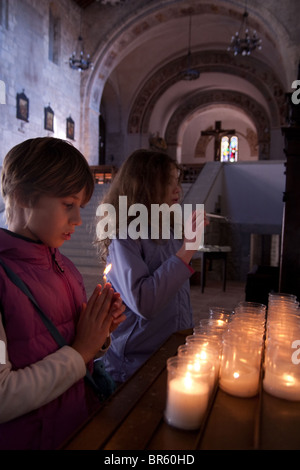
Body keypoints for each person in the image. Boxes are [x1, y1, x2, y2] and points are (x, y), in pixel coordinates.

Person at [0, 137, 126, 450]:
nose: (77, 220)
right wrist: (81, 350)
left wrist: (98, 334)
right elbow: (2, 396)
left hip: (76, 427)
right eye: (68, 205)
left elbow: (68, 346)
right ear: (21, 196)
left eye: (79, 207)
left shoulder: (64, 267)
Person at [96, 148, 206, 383]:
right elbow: (145, 302)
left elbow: (177, 297)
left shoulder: (167, 229)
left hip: (171, 352)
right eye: (168, 182)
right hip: (135, 365)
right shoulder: (124, 238)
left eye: (177, 181)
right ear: (143, 187)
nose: (177, 189)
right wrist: (187, 250)